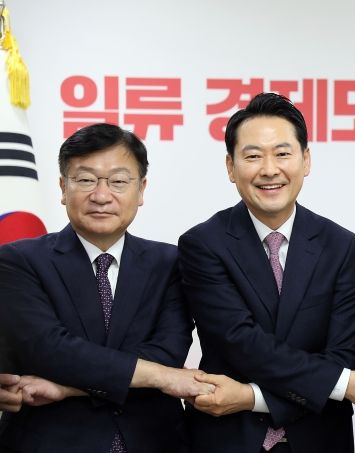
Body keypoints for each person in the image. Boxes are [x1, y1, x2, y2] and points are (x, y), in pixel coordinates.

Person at [178, 92, 355, 453]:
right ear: (231, 167)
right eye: (253, 156)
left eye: (282, 154)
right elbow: (241, 343)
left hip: (319, 439)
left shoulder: (339, 245)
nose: (269, 169)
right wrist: (342, 384)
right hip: (229, 440)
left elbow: (343, 357)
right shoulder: (203, 244)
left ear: (305, 160)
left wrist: (250, 397)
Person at [0, 123, 213, 453]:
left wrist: (67, 388)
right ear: (63, 187)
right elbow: (49, 351)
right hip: (50, 442)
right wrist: (161, 377)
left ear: (141, 190)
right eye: (86, 180)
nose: (101, 196)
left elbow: (168, 352)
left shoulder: (170, 261)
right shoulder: (17, 260)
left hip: (154, 440)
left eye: (118, 181)